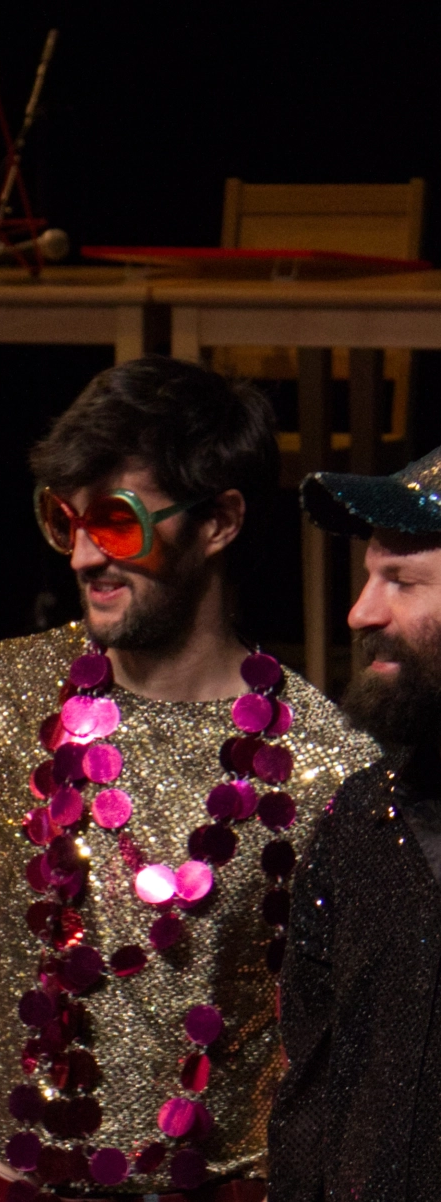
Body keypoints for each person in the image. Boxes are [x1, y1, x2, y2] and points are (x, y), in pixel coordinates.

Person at [0, 358, 376, 1202]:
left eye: (116, 523)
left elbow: (337, 1038)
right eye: (64, 520)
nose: (82, 557)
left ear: (219, 522)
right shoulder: (12, 693)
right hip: (3, 1179)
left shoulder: (326, 764)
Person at [265, 446, 441, 1200]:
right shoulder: (362, 822)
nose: (361, 611)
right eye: (370, 576)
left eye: (400, 580)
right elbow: (310, 1105)